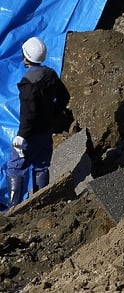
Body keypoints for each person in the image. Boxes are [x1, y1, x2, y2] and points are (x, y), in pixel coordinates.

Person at [6, 37, 71, 208]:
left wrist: (21, 136)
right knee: (41, 166)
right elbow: (64, 97)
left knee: (16, 168)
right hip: (45, 131)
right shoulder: (50, 74)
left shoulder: (28, 83)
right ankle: (43, 204)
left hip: (30, 134)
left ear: (25, 57)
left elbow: (29, 113)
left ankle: (14, 208)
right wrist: (52, 115)